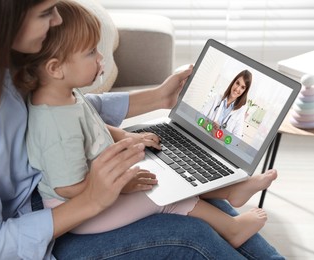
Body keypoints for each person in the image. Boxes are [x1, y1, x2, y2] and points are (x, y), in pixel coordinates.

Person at [0, 0, 284, 259]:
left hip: (55, 190)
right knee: (190, 234)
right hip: (37, 227)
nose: (59, 19)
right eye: (46, 12)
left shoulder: (5, 67)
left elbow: (71, 111)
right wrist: (94, 197)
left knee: (195, 190)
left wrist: (157, 97)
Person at [15, 0, 277, 249]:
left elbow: (94, 128)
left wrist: (127, 138)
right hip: (81, 212)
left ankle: (231, 190)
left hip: (98, 184)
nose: (100, 59)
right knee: (161, 194)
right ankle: (231, 228)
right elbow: (67, 187)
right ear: (55, 68)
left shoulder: (66, 95)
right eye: (90, 52)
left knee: (164, 169)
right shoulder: (54, 125)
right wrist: (122, 186)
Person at [201, 70, 252, 139]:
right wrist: (210, 128)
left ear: (244, 91)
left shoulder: (240, 111)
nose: (237, 89)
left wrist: (218, 134)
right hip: (202, 136)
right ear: (233, 82)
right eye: (237, 83)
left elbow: (237, 139)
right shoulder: (217, 98)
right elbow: (199, 117)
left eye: (242, 87)